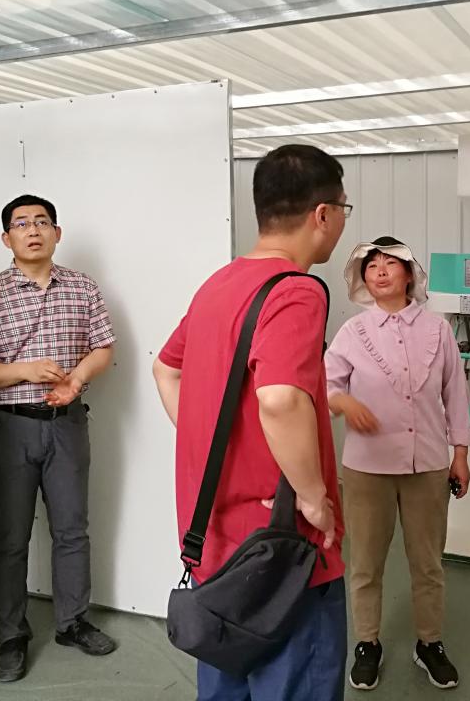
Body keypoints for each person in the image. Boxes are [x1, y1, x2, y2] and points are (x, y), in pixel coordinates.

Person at [153, 144, 349, 701]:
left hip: (215, 541)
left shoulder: (219, 284)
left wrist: (215, 445)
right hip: (282, 548)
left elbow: (166, 369)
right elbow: (281, 399)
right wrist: (313, 497)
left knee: (226, 682)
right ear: (322, 215)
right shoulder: (296, 291)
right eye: (343, 209)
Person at [0, 195, 117, 683]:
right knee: (10, 536)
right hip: (10, 428)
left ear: (57, 233)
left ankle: (72, 622)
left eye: (42, 222)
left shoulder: (82, 288)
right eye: (21, 224)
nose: (33, 230)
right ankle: (11, 635)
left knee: (72, 530)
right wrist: (23, 371)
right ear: (6, 238)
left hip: (68, 422)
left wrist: (75, 381)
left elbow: (102, 347)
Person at [325, 236, 470, 691]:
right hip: (366, 468)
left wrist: (460, 454)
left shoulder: (438, 330)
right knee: (365, 563)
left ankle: (429, 643)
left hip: (427, 464)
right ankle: (367, 643)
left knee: (428, 562)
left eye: (391, 263)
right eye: (372, 265)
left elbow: (455, 394)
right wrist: (345, 403)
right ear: (364, 278)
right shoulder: (353, 332)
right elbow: (324, 385)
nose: (381, 271)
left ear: (409, 275)